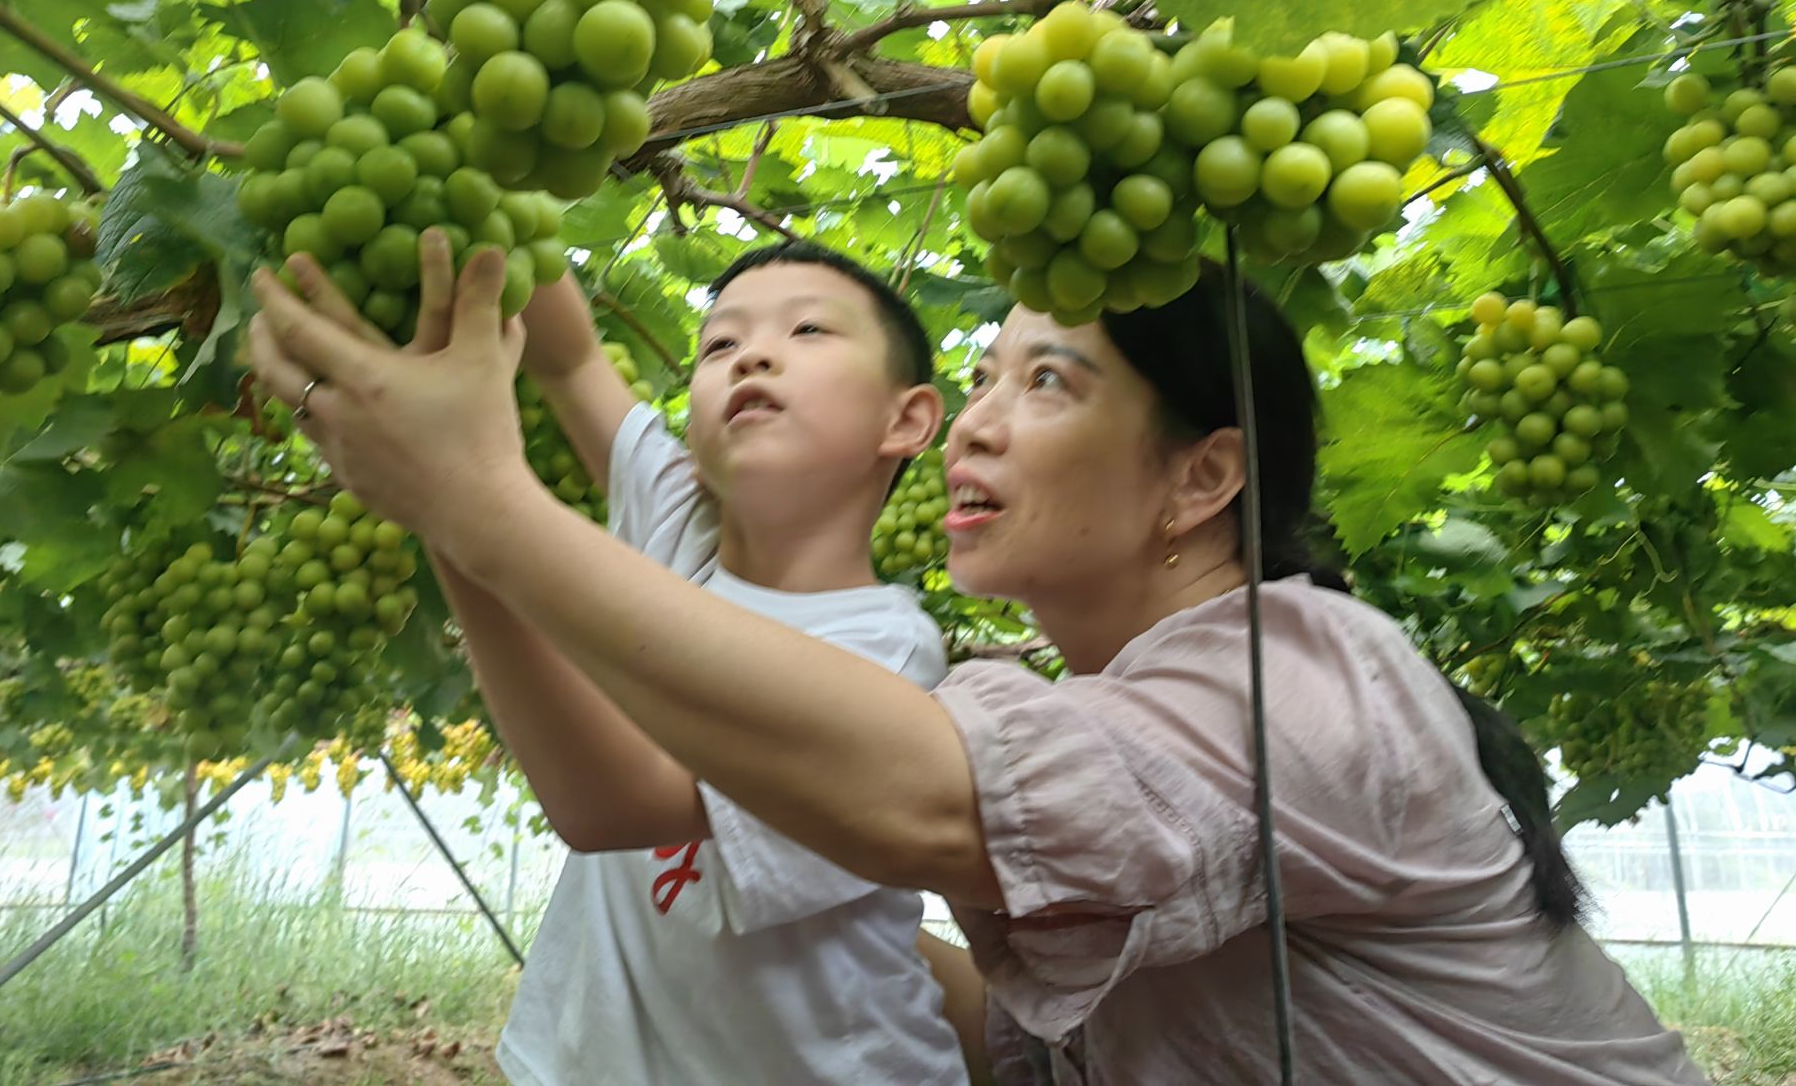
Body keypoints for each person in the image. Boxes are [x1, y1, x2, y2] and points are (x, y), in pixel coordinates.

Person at [250, 243, 1707, 1086]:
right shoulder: (1129, 729)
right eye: (987, 379)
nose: (975, 427)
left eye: (1048, 382)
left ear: (1203, 478)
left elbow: (922, 805)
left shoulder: (1306, 673)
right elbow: (1023, 1014)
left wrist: (472, 504)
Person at [254, 239, 972, 1085]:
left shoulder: (884, 646)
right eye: (719, 345)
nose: (754, 354)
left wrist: (451, 498)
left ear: (909, 420)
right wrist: (482, 187)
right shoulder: (677, 525)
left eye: (809, 329)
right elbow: (569, 353)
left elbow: (620, 804)